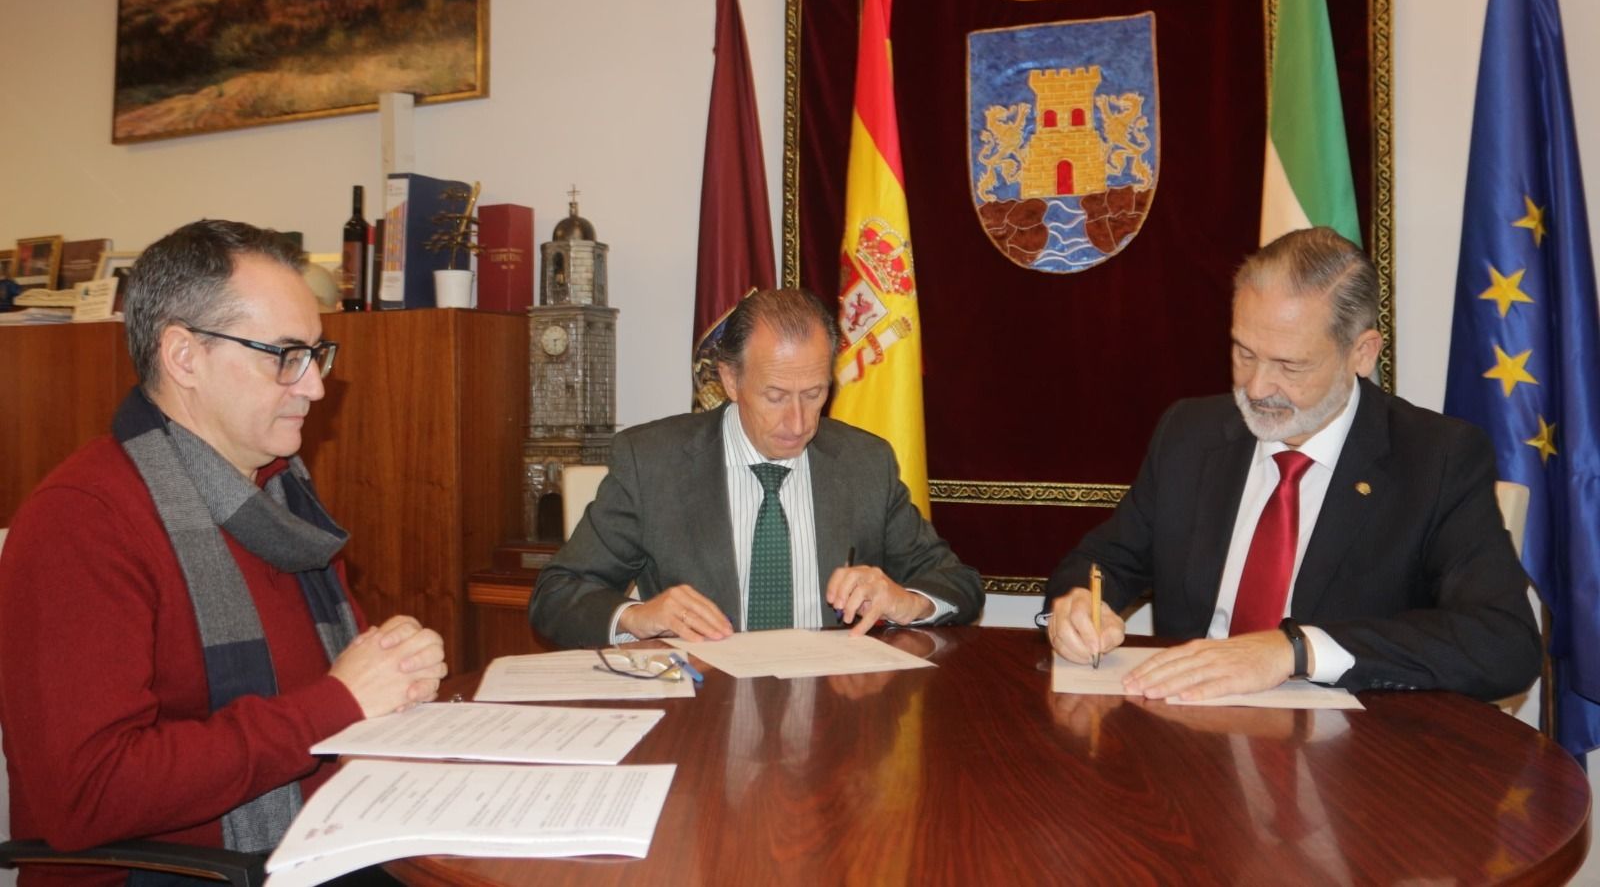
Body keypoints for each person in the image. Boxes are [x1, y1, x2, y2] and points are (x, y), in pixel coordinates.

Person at [0, 220, 447, 885]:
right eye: (284, 356)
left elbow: (326, 693)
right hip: (184, 874)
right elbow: (86, 796)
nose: (315, 387)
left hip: (323, 840)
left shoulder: (279, 498)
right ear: (183, 356)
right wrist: (340, 700)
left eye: (317, 355)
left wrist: (390, 669)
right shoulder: (83, 520)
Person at [1045, 227, 1540, 702]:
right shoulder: (1190, 433)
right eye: (1244, 352)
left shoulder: (1436, 457)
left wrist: (1296, 650)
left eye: (1289, 366)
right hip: (1185, 730)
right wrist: (1078, 604)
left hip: (1351, 759)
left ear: (1362, 353)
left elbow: (1502, 643)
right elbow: (1104, 561)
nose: (1257, 388)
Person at [530, 288, 983, 648]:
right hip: (705, 714)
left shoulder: (865, 462)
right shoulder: (653, 463)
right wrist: (637, 616)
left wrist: (907, 601)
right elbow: (556, 593)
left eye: (814, 394)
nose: (800, 422)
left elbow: (958, 583)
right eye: (775, 396)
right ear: (730, 380)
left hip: (835, 715)